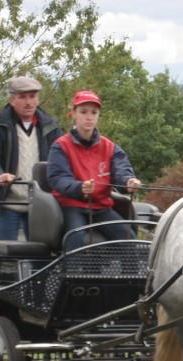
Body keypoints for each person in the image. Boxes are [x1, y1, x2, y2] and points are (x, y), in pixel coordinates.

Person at [47, 90, 141, 251]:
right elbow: (58, 178)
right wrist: (79, 187)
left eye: (94, 112)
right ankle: (70, 275)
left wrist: (128, 182)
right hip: (71, 205)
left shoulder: (110, 147)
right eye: (83, 112)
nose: (89, 117)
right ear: (74, 114)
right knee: (75, 236)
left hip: (100, 207)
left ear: (98, 116)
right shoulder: (60, 146)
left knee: (129, 238)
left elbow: (120, 171)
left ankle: (130, 276)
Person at [0, 76, 63, 240]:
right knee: (5, 259)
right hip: (7, 203)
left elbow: (63, 160)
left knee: (40, 259)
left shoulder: (51, 126)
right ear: (12, 100)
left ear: (38, 99)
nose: (28, 102)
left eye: (32, 96)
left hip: (41, 205)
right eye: (22, 97)